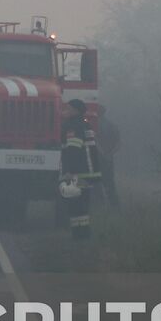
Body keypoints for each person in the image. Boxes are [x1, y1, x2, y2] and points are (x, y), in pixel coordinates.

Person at [59, 98, 102, 239]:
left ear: (76, 111)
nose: (65, 112)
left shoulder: (73, 126)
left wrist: (69, 172)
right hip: (88, 172)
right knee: (82, 205)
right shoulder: (84, 124)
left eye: (68, 109)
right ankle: (82, 235)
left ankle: (79, 236)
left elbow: (73, 150)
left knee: (76, 206)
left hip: (79, 173)